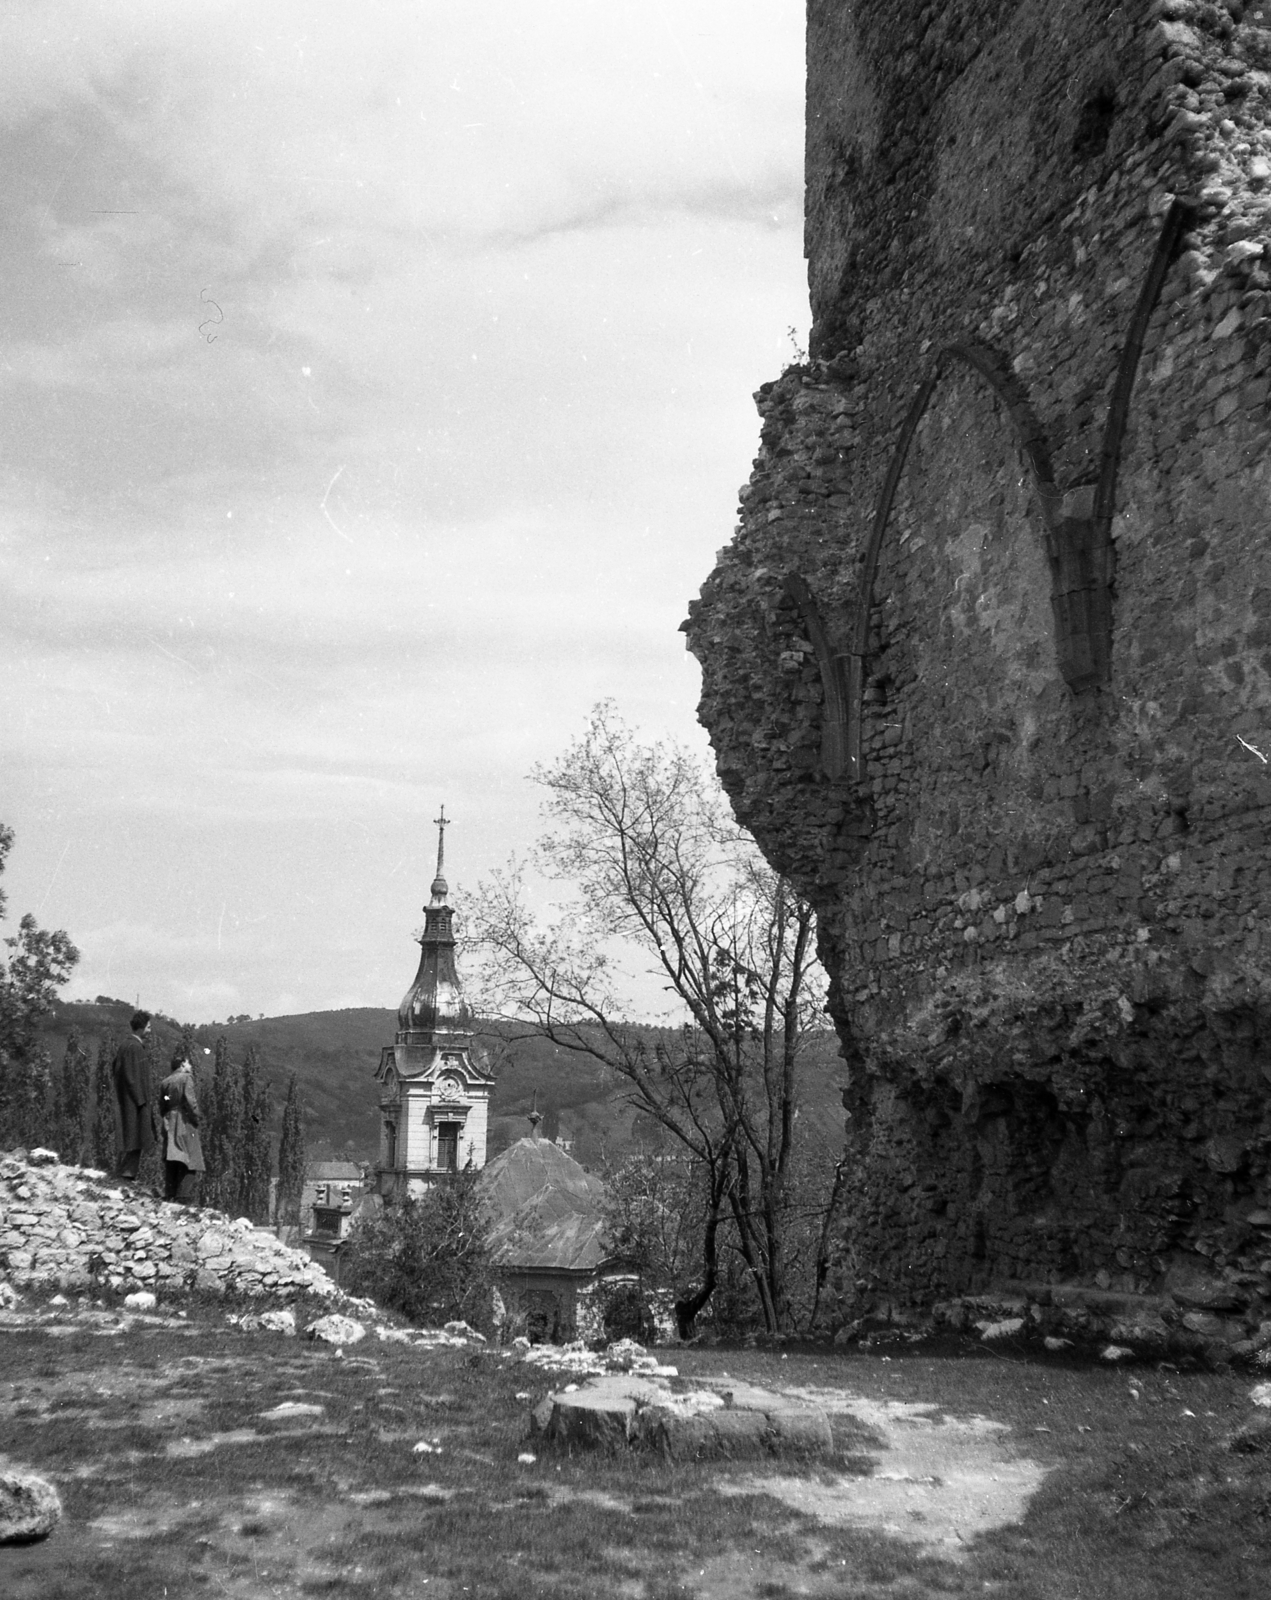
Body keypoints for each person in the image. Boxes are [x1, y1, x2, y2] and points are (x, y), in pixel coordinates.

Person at [111, 1010, 155, 1181]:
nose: (150, 1031)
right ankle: (126, 1175)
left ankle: (125, 1173)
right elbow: (131, 1077)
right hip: (135, 1103)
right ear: (142, 1028)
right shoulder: (134, 1047)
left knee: (134, 1139)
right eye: (149, 1027)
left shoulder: (127, 1046)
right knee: (136, 1138)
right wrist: (141, 1100)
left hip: (131, 1101)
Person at [158, 1049, 205, 1204]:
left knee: (172, 1157)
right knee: (190, 1158)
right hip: (184, 1121)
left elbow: (163, 1102)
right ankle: (183, 1196)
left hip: (169, 1120)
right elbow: (190, 1100)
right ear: (183, 1064)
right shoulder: (186, 1078)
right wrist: (197, 1116)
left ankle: (170, 1193)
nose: (190, 1066)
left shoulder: (165, 1082)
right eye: (188, 1062)